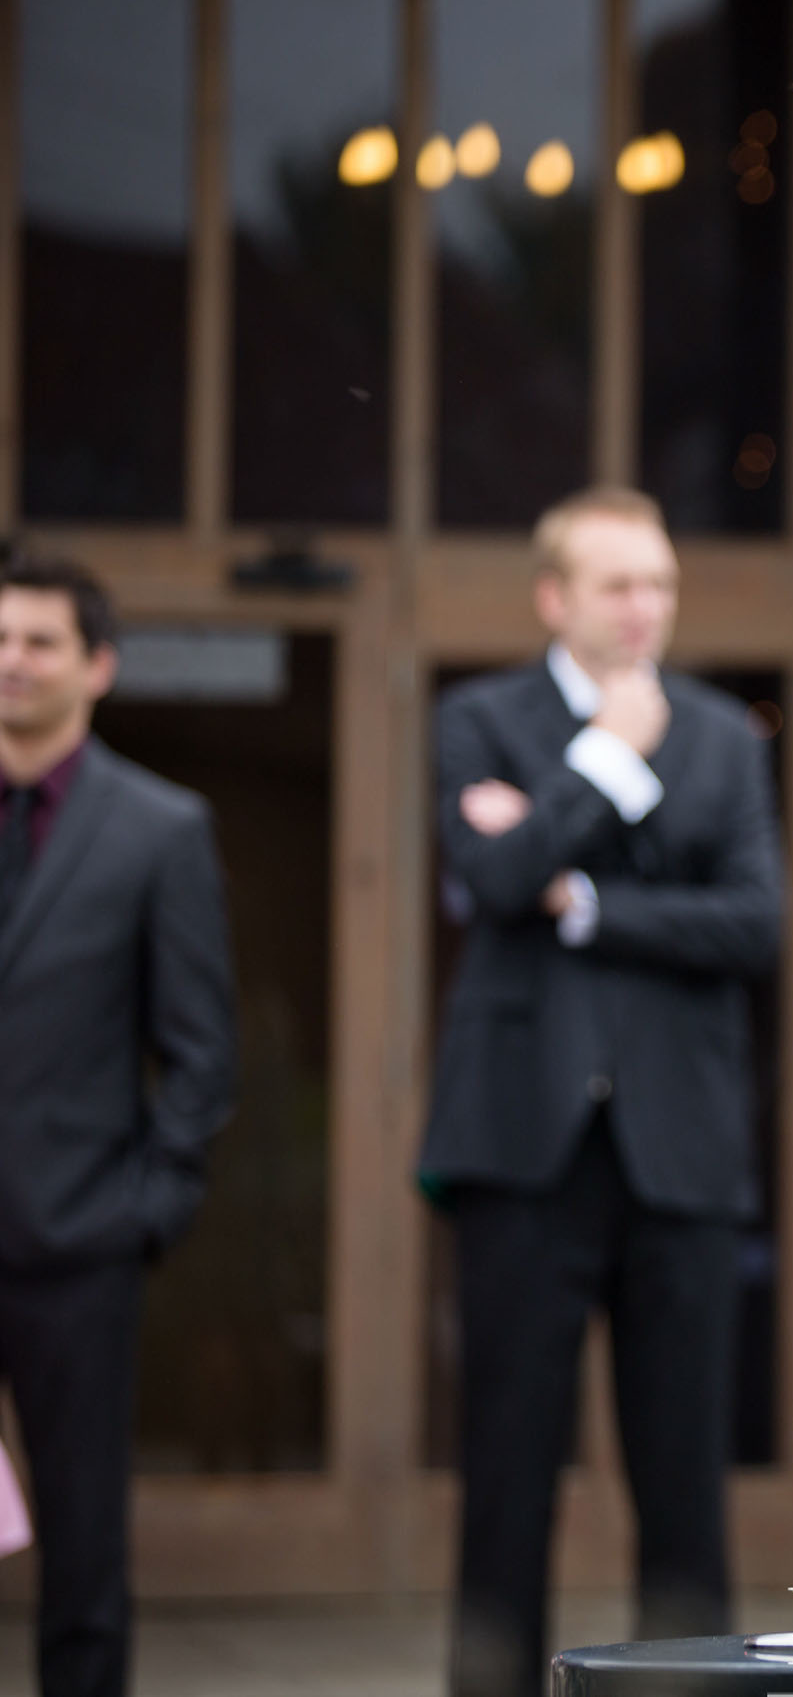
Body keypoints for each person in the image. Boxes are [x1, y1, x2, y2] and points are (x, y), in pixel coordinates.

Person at [419, 487, 783, 1697]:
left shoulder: (725, 735)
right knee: (506, 1474)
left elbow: (754, 921)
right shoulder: (478, 719)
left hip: (679, 1150)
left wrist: (580, 897)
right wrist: (607, 758)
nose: (644, 607)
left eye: (659, 583)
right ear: (553, 597)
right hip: (521, 1144)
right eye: (618, 584)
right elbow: (492, 875)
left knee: (683, 1481)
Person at [0, 554, 235, 1697]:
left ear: (97, 665)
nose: (11, 660)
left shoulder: (160, 826)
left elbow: (201, 1048)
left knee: (84, 1543)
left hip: (79, 1242)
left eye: (39, 640)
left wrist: (148, 1208)